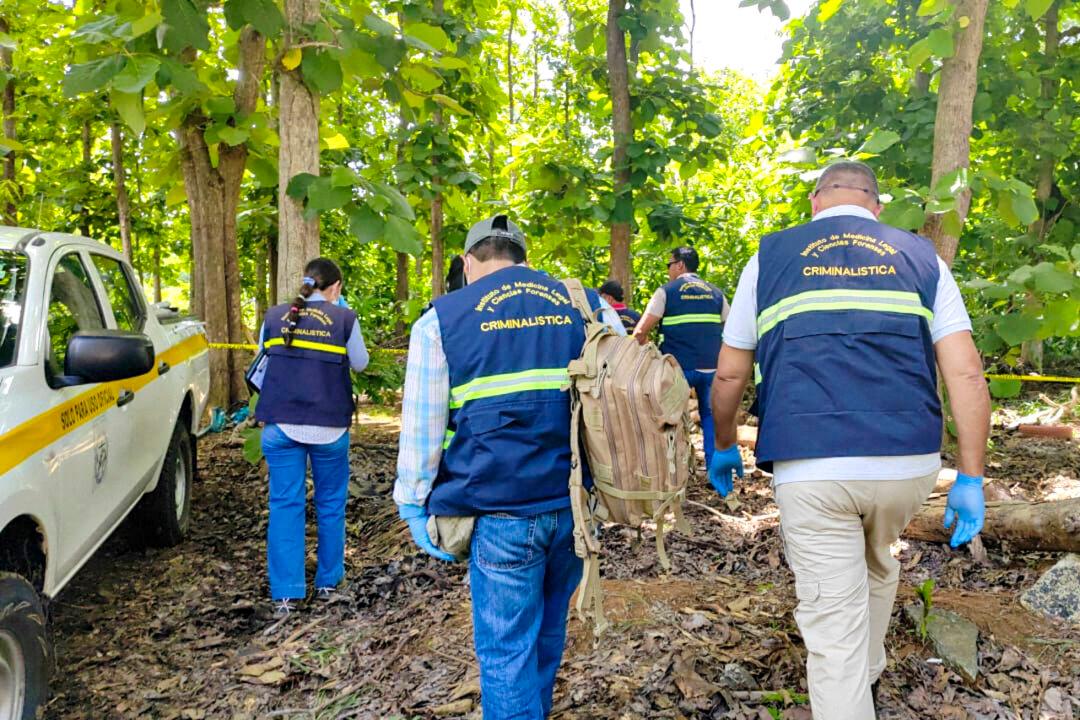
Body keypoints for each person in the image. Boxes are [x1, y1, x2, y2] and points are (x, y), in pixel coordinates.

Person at [708, 161, 991, 720]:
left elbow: (729, 376)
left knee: (832, 630)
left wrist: (722, 443)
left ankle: (850, 685)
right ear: (876, 206)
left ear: (816, 201)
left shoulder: (771, 257)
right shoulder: (921, 257)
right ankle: (864, 677)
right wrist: (972, 477)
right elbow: (966, 376)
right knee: (878, 557)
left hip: (813, 470)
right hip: (907, 466)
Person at [394, 214, 608, 719]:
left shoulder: (441, 319)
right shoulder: (583, 306)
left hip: (500, 515)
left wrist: (412, 499)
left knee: (506, 652)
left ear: (469, 262)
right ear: (523, 258)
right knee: (546, 635)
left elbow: (423, 423)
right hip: (574, 506)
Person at [254, 258, 370, 619]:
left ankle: (286, 595)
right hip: (330, 428)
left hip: (281, 425)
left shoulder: (276, 317)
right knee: (331, 504)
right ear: (335, 288)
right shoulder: (344, 320)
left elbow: (264, 358)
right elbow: (361, 363)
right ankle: (328, 583)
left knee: (285, 505)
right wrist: (341, 316)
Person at [632, 246, 729, 459]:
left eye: (669, 265)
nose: (668, 271)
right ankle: (716, 474)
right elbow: (731, 331)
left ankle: (676, 473)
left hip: (677, 370)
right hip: (711, 368)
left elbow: (640, 332)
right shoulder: (716, 293)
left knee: (671, 419)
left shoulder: (666, 291)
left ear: (680, 265)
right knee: (711, 418)